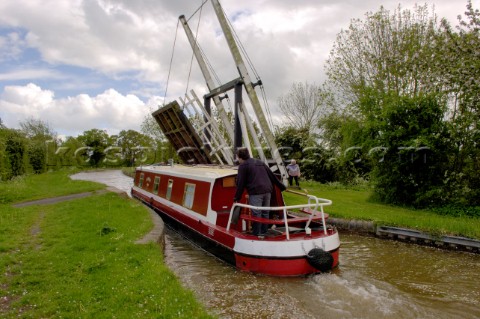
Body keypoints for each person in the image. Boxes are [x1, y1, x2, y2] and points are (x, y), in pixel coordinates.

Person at [233, 148, 287, 236]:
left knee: (256, 213)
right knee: (265, 212)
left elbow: (240, 183)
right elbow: (271, 175)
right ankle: (264, 231)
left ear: (239, 157)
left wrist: (236, 198)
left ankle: (256, 233)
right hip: (268, 190)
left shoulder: (243, 166)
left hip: (256, 192)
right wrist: (282, 187)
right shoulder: (259, 162)